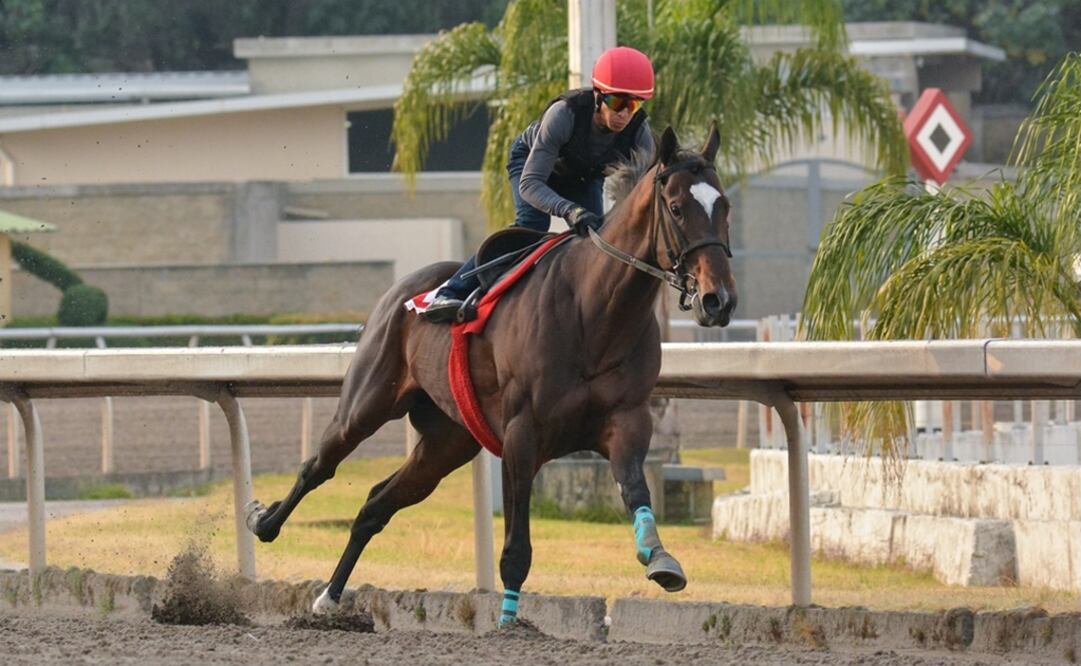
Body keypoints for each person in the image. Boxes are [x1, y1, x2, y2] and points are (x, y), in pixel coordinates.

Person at [422, 45, 657, 323]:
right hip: (532, 167)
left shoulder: (640, 134)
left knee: (597, 236)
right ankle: (452, 290)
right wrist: (570, 211)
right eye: (618, 102)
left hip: (583, 175)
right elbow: (531, 185)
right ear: (598, 96)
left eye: (634, 104)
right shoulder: (563, 114)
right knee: (532, 225)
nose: (624, 114)